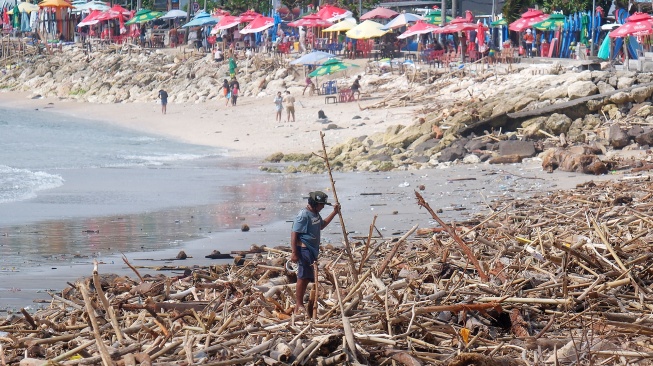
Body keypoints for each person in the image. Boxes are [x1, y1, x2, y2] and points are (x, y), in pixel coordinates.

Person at [290, 191, 340, 315]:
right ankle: (299, 304)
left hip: (312, 250)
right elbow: (294, 233)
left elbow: (321, 226)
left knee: (308, 277)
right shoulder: (304, 215)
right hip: (304, 249)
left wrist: (334, 212)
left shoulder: (315, 214)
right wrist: (294, 252)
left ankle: (303, 303)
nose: (323, 207)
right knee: (302, 277)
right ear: (314, 203)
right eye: (321, 204)